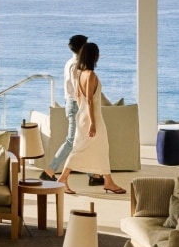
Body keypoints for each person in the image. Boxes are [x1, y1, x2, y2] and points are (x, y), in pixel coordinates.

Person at [57, 42, 126, 195]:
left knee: (98, 148)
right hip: (91, 118)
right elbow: (89, 100)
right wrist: (93, 123)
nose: (99, 56)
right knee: (84, 149)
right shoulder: (91, 75)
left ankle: (108, 181)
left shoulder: (79, 73)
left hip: (82, 116)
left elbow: (78, 97)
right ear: (93, 56)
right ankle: (63, 178)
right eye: (97, 53)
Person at [41, 34, 89, 182]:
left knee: (84, 140)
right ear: (81, 48)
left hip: (72, 103)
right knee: (71, 141)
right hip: (76, 105)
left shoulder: (69, 63)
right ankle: (49, 171)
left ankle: (93, 174)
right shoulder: (76, 65)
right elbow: (78, 90)